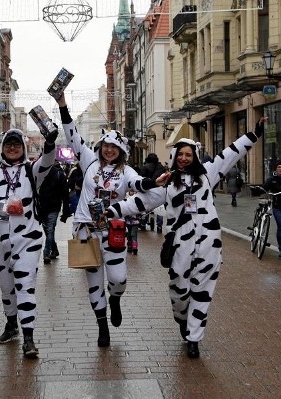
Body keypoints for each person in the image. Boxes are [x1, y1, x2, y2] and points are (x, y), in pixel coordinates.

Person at [106, 117, 267, 359]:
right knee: (179, 293)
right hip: (179, 247)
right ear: (175, 157)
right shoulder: (168, 184)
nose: (184, 158)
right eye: (180, 154)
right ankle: (182, 319)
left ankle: (194, 338)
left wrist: (253, 135)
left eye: (188, 155)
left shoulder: (207, 175)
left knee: (203, 291)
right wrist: (113, 210)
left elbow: (230, 154)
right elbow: (141, 202)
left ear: (195, 157)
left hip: (209, 245)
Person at [55, 91, 160, 348]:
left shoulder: (126, 171)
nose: (109, 150)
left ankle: (116, 299)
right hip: (86, 230)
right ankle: (102, 326)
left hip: (113, 229)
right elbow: (72, 135)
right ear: (100, 147)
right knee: (93, 282)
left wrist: (152, 182)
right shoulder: (89, 162)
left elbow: (138, 183)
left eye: (114, 147)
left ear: (121, 150)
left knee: (118, 278)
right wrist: (63, 105)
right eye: (106, 146)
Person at [0, 127, 58, 359]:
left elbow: (48, 161)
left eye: (16, 144)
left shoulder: (32, 170)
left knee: (25, 285)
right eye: (8, 144)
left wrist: (49, 144)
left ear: (22, 147)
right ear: (2, 148)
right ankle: (11, 324)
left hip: (27, 238)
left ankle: (28, 338)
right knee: (6, 286)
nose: (12, 148)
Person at [39, 161, 71, 264]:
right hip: (46, 207)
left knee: (49, 229)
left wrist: (66, 211)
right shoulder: (39, 172)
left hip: (51, 207)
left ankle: (46, 252)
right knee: (48, 230)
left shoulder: (58, 174)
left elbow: (65, 193)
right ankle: (54, 249)